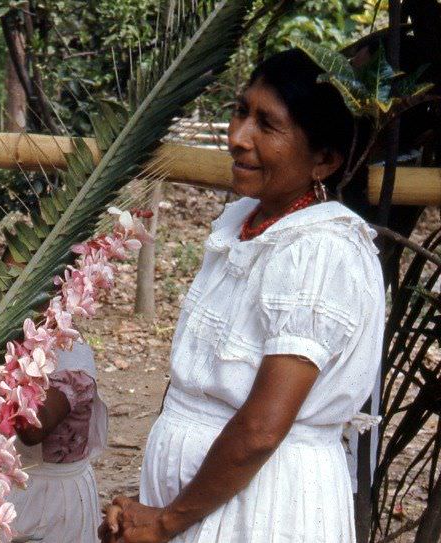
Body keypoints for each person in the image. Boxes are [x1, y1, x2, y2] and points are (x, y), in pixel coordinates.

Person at [99, 48, 385, 542]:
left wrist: (166, 521)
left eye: (266, 125)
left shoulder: (318, 252)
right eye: (240, 111)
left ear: (324, 160)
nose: (237, 137)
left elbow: (261, 428)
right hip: (200, 504)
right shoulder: (244, 226)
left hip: (265, 504)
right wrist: (157, 510)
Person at [8, 341, 108, 543]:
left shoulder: (71, 363)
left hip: (55, 495)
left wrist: (2, 378)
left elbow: (33, 429)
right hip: (11, 481)